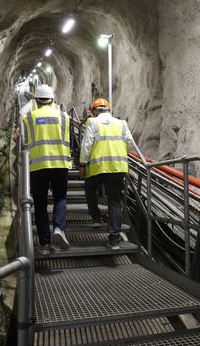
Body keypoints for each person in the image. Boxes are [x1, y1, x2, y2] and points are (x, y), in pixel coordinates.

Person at [78, 98, 136, 249]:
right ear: (108, 110)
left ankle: (96, 218)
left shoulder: (92, 123)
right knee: (114, 201)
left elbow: (86, 145)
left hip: (97, 168)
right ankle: (114, 239)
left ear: (95, 111)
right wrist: (120, 152)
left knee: (90, 189)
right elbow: (130, 143)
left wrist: (83, 164)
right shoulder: (121, 123)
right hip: (117, 167)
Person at [22, 84, 72, 255]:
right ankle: (59, 228)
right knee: (60, 198)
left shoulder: (29, 117)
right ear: (52, 99)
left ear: (36, 99)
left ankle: (44, 243)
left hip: (38, 166)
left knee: (41, 204)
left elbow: (25, 141)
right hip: (60, 164)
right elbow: (68, 140)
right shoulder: (64, 116)